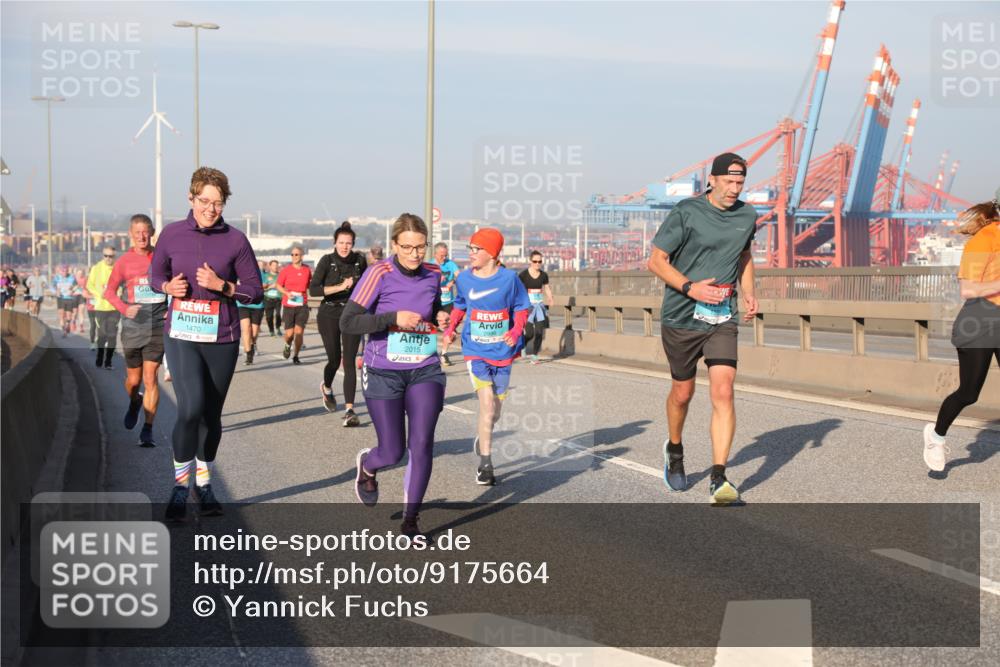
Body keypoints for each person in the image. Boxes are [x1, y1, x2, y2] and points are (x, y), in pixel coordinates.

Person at [150, 167, 262, 521]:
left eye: (217, 203)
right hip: (182, 333)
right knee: (190, 408)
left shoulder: (236, 240)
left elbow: (256, 291)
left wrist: (223, 286)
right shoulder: (170, 234)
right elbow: (155, 276)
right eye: (204, 201)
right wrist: (167, 288)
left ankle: (205, 480)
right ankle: (181, 488)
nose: (210, 209)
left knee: (211, 416)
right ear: (190, 198)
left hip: (222, 336)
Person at [647, 152, 758, 506]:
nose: (734, 189)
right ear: (712, 180)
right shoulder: (686, 212)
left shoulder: (747, 215)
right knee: (683, 393)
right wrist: (691, 287)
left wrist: (750, 292)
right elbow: (656, 261)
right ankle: (675, 449)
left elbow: (743, 256)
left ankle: (719, 477)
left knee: (723, 391)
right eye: (729, 181)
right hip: (682, 315)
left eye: (740, 183)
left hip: (722, 316)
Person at [341, 213, 450, 537]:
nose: (415, 254)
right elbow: (348, 322)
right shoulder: (380, 273)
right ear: (394, 244)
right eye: (407, 247)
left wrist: (441, 316)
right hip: (383, 370)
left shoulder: (433, 272)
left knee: (422, 442)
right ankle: (368, 466)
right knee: (393, 451)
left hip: (424, 367)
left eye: (420, 247)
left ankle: (411, 521)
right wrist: (392, 318)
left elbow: (434, 307)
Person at [441, 228, 531, 486]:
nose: (471, 254)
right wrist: (450, 330)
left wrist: (515, 331)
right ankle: (486, 464)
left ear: (492, 253)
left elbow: (522, 307)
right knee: (487, 403)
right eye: (470, 248)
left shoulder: (509, 279)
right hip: (475, 350)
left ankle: (484, 435)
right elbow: (459, 305)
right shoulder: (466, 279)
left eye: (476, 249)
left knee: (495, 412)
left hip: (503, 352)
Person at [923, 187, 1000, 471]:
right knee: (969, 393)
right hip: (979, 321)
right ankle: (935, 436)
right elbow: (968, 289)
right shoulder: (984, 240)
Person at [104, 215, 166, 447]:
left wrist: (172, 308)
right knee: (133, 380)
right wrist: (124, 308)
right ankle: (134, 401)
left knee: (151, 378)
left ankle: (147, 430)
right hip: (132, 326)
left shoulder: (162, 257)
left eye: (146, 231)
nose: (142, 236)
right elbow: (109, 292)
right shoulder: (124, 262)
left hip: (158, 323)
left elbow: (176, 284)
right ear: (131, 234)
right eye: (137, 232)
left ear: (151, 233)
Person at [311, 221, 366, 425]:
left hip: (352, 315)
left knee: (349, 361)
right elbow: (314, 290)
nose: (345, 246)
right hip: (329, 314)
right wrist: (339, 287)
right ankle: (326, 388)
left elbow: (368, 286)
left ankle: (350, 410)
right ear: (335, 243)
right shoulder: (327, 261)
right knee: (334, 360)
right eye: (341, 243)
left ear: (353, 243)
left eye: (348, 243)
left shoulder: (360, 261)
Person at [518, 250, 555, 363]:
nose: (537, 263)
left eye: (540, 261)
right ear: (530, 261)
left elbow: (547, 287)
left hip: (539, 306)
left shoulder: (544, 275)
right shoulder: (523, 275)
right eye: (535, 261)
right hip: (527, 308)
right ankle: (523, 345)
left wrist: (550, 298)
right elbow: (518, 289)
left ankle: (534, 356)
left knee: (539, 332)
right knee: (529, 333)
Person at [277, 245, 311, 364]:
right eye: (292, 254)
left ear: (302, 256)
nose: (294, 257)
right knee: (289, 333)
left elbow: (309, 285)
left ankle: (296, 355)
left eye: (296, 254)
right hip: (288, 304)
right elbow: (278, 285)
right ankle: (287, 344)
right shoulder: (286, 270)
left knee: (299, 332)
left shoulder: (307, 270)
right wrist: (286, 292)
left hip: (302, 304)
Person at [88, 246, 120, 369]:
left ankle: (108, 362)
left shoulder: (118, 268)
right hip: (101, 307)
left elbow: (124, 283)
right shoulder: (96, 268)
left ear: (114, 256)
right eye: (105, 256)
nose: (108, 258)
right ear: (103, 256)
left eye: (110, 256)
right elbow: (89, 285)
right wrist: (98, 294)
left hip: (114, 308)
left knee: (112, 335)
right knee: (102, 335)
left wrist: (120, 291)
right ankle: (100, 357)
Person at [431, 242, 461, 366]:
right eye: (441, 256)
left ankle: (443, 354)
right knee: (431, 329)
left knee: (449, 329)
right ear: (435, 254)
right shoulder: (430, 265)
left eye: (446, 255)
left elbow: (460, 277)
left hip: (448, 302)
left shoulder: (450, 264)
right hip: (435, 302)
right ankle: (431, 355)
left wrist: (452, 281)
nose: (444, 258)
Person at [237, 266, 266, 365]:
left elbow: (267, 285)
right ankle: (249, 355)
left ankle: (252, 344)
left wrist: (265, 286)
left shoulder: (261, 274)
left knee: (254, 333)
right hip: (243, 304)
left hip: (257, 305)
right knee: (246, 328)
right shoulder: (238, 272)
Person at [52, 265, 79, 337]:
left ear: (68, 271)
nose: (64, 273)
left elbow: (76, 285)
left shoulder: (72, 277)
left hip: (69, 298)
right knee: (61, 314)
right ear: (60, 271)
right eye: (63, 271)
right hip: (60, 298)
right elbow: (52, 286)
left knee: (68, 315)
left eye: (66, 271)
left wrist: (72, 290)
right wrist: (56, 291)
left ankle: (68, 324)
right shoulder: (57, 277)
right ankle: (64, 330)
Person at [262, 259, 282, 336]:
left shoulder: (280, 275)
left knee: (278, 314)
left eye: (277, 265)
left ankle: (278, 328)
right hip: (268, 298)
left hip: (278, 298)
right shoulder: (265, 276)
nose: (275, 267)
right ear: (270, 266)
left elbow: (284, 286)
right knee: (269, 316)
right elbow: (262, 288)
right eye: (273, 265)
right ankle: (271, 330)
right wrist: (271, 286)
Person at [74, 268, 89, 333]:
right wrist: (75, 287)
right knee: (75, 312)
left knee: (81, 311)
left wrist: (85, 289)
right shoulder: (73, 279)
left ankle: (81, 326)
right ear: (76, 274)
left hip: (82, 296)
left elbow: (88, 287)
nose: (80, 275)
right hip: (74, 296)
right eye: (79, 273)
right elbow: (70, 287)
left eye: (81, 273)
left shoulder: (85, 279)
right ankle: (73, 322)